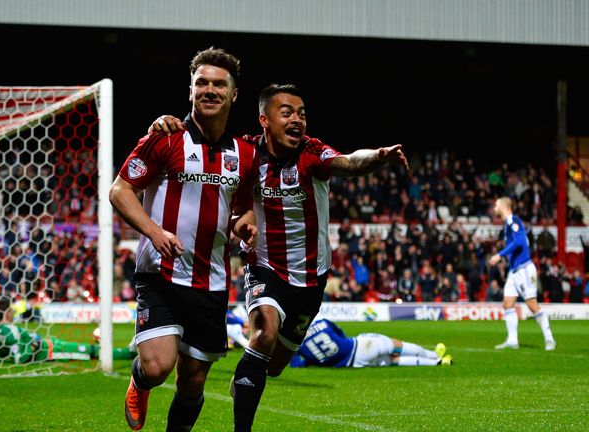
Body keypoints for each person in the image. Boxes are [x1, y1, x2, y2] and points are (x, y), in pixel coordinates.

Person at [152, 83, 408, 431]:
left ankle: (246, 379)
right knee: (264, 333)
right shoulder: (244, 154)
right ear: (264, 120)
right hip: (265, 268)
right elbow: (203, 148)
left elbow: (348, 163)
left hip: (311, 279)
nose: (297, 119)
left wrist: (378, 156)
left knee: (271, 365)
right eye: (286, 112)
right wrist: (169, 123)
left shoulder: (312, 154)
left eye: (302, 113)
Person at [109, 47, 259, 431]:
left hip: (210, 282)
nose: (209, 90)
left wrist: (244, 225)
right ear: (190, 90)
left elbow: (242, 207)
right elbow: (120, 191)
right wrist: (155, 232)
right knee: (160, 367)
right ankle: (140, 380)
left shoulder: (244, 154)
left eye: (219, 84)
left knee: (192, 382)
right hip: (160, 274)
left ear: (234, 94)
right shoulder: (165, 138)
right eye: (201, 83)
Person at [488, 197, 556, 350]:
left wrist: (500, 255)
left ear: (504, 207)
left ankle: (549, 338)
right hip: (514, 270)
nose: (495, 208)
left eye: (497, 205)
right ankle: (512, 340)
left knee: (532, 305)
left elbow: (520, 242)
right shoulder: (508, 225)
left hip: (524, 269)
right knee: (507, 304)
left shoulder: (514, 221)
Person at [0, 296, 135, 364]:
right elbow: (20, 358)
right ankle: (128, 354)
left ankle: (127, 353)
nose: (13, 313)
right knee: (88, 352)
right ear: (7, 313)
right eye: (11, 310)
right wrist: (33, 345)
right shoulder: (11, 331)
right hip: (49, 351)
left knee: (88, 349)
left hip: (50, 344)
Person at [289, 318, 452, 368]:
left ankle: (437, 362)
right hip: (360, 346)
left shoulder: (295, 342)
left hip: (354, 363)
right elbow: (341, 334)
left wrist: (312, 360)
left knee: (392, 361)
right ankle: (433, 354)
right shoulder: (322, 323)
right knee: (397, 345)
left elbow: (297, 365)